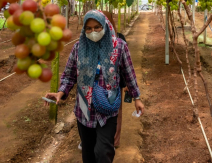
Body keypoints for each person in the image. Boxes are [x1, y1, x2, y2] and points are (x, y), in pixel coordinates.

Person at [44, 10, 144, 163]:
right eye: (88, 28)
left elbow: (129, 73)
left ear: (105, 25)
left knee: (104, 151)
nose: (93, 31)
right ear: (84, 30)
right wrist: (60, 92)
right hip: (84, 110)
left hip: (108, 109)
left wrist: (136, 97)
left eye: (97, 27)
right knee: (88, 152)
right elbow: (69, 75)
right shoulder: (79, 48)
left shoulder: (119, 47)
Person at [101, 11, 126, 148]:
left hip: (115, 84)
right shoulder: (93, 41)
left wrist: (128, 84)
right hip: (100, 84)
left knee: (115, 111)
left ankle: (114, 141)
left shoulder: (119, 40)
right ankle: (107, 140)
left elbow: (126, 65)